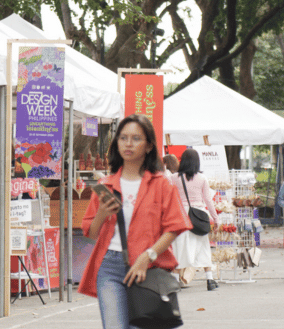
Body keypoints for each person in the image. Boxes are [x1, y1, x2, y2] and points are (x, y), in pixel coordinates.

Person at [78, 114, 192, 329]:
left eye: (136, 138)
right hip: (110, 267)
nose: (128, 144)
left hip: (147, 266)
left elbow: (174, 227)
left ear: (149, 146)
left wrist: (147, 256)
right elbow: (92, 233)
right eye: (123, 138)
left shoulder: (161, 185)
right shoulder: (106, 185)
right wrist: (102, 213)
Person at [169, 148, 220, 291]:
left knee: (180, 248)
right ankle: (209, 280)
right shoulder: (202, 178)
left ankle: (175, 281)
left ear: (182, 161)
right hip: (198, 215)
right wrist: (215, 219)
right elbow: (208, 201)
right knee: (203, 247)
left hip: (180, 216)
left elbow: (169, 198)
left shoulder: (173, 178)